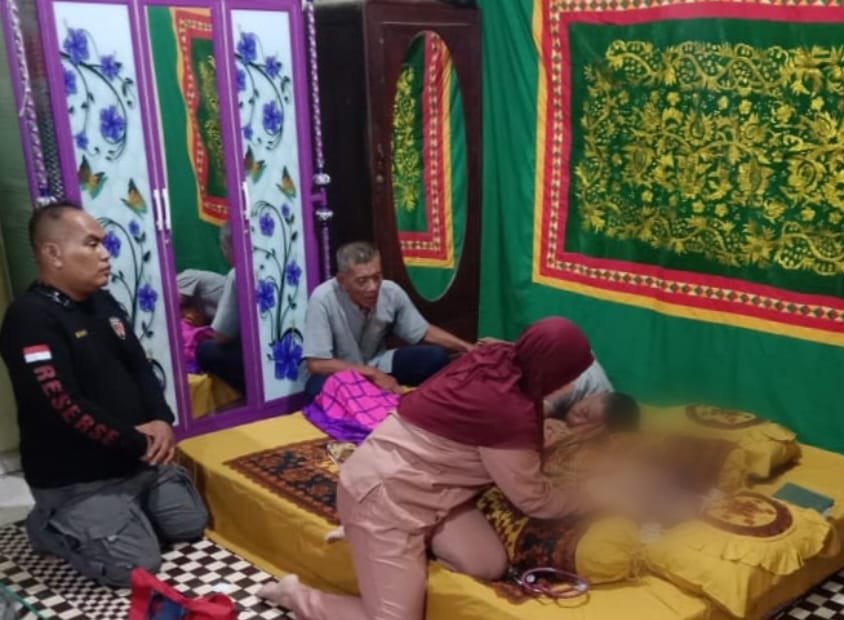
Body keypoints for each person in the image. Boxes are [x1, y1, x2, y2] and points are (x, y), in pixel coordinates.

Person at [259, 317, 597, 620]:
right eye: (569, 377)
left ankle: (379, 540)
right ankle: (295, 595)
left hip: (428, 491)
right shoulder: (508, 413)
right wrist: (589, 497)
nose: (571, 386)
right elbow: (533, 498)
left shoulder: (500, 357)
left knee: (485, 563)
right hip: (382, 497)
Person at [0, 203, 208, 588]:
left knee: (188, 524)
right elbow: (62, 406)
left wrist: (162, 420)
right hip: (80, 477)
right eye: (92, 244)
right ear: (53, 253)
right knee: (138, 567)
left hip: (134, 463)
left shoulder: (102, 302)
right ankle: (50, 524)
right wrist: (138, 442)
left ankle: (124, 514)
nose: (105, 254)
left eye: (103, 243)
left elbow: (140, 366)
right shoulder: (29, 318)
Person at [302, 241, 473, 398]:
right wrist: (371, 374)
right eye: (362, 281)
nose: (373, 287)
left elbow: (422, 331)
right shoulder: (323, 298)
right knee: (317, 390)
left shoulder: (390, 292)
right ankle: (370, 397)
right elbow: (316, 364)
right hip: (343, 373)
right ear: (342, 281)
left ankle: (383, 398)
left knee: (436, 357)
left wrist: (466, 347)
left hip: (379, 363)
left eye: (377, 277)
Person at [194, 224, 245, 393]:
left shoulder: (237, 273)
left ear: (229, 247)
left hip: (250, 356)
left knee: (204, 350)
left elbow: (222, 336)